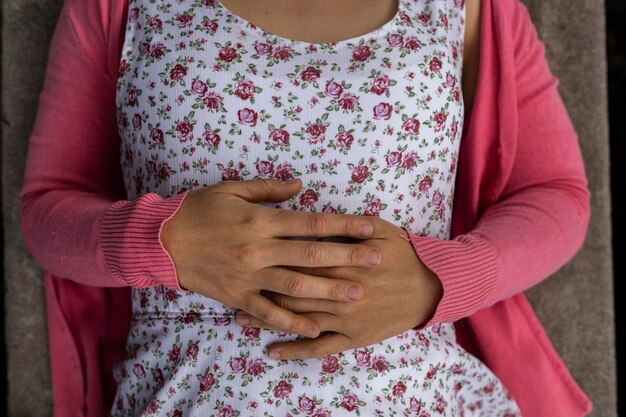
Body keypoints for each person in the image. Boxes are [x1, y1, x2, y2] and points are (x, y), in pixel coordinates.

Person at [18, 0, 593, 415]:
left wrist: (439, 281)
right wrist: (160, 242)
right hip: (185, 393)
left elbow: (555, 193)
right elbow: (49, 208)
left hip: (412, 394)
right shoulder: (114, 7)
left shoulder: (471, 7)